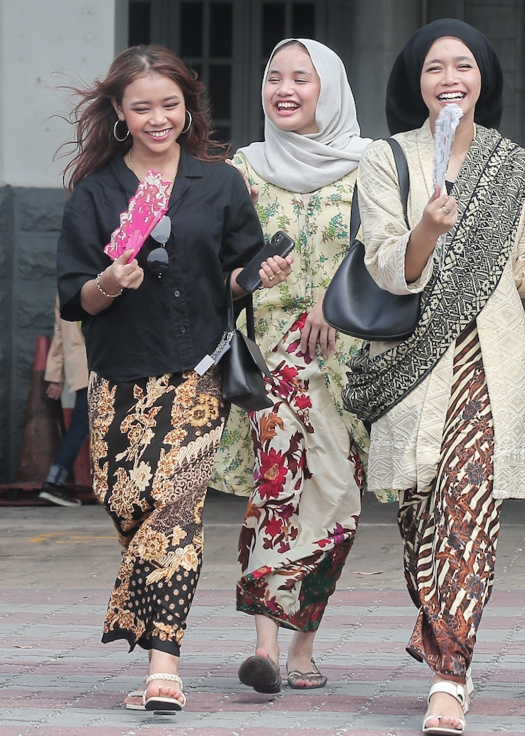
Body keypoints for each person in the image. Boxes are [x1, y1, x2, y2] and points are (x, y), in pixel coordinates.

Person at [342, 19, 525, 736]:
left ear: (484, 77)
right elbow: (381, 261)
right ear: (415, 81)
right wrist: (427, 228)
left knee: (468, 511)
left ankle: (448, 678)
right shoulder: (385, 160)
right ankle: (445, 637)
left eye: (463, 65)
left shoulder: (513, 164)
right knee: (420, 520)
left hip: (490, 365)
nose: (449, 78)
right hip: (409, 365)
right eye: (435, 67)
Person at [56, 45, 292, 713]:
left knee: (175, 509)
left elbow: (238, 271)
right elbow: (76, 297)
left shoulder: (216, 184)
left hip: (198, 372)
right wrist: (110, 278)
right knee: (128, 501)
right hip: (120, 375)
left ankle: (165, 666)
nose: (159, 117)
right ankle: (149, 610)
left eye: (170, 104)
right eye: (143, 107)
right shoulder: (97, 192)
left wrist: (259, 275)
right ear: (120, 115)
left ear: (187, 108)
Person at [211, 38, 372, 693]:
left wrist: (340, 301)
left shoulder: (373, 166)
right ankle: (266, 649)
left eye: (300, 79)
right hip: (272, 360)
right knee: (275, 496)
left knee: (339, 504)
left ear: (327, 89)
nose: (284, 89)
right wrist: (250, 277)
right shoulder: (241, 170)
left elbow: (389, 259)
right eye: (273, 77)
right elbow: (214, 270)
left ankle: (305, 641)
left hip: (348, 367)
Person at [39, 297, 90, 507]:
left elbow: (60, 335)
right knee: (84, 426)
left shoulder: (66, 289)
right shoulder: (104, 281)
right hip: (101, 364)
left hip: (80, 367)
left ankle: (54, 481)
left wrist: (55, 375)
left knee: (81, 425)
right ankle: (53, 482)